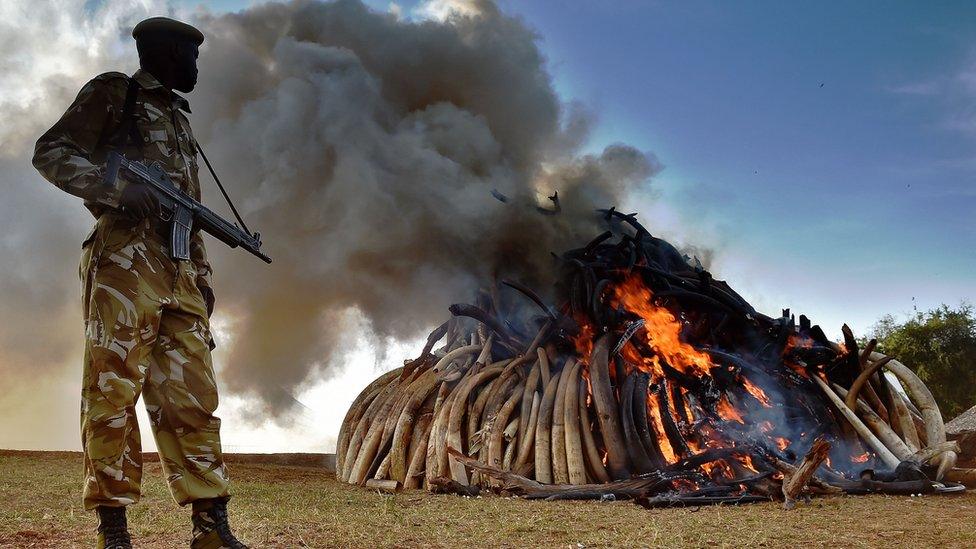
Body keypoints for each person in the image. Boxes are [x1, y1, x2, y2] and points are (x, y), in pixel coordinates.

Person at [33, 17, 247, 549]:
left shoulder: (179, 118)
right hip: (124, 265)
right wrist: (114, 190)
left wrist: (200, 275)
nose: (197, 67)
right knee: (112, 391)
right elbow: (52, 151)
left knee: (193, 397)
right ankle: (114, 531)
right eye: (191, 56)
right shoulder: (115, 93)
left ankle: (210, 527)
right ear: (166, 53)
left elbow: (187, 213)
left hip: (178, 273)